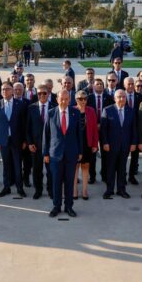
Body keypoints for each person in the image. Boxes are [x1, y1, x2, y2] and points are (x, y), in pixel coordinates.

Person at [43, 89, 84, 218]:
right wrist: (45, 153)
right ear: (57, 99)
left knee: (69, 181)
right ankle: (56, 206)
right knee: (56, 182)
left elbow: (80, 134)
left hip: (71, 154)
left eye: (67, 99)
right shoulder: (50, 113)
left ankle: (69, 206)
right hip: (55, 154)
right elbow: (46, 135)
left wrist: (80, 151)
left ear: (70, 100)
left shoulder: (75, 113)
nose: (64, 101)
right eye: (62, 99)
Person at [100, 90, 136, 199]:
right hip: (111, 146)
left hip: (125, 145)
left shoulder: (131, 111)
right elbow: (103, 130)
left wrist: (133, 143)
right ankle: (109, 190)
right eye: (119, 97)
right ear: (115, 98)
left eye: (124, 97)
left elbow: (134, 129)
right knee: (110, 169)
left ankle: (121, 190)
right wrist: (105, 143)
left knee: (122, 169)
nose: (122, 99)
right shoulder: (107, 110)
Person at [0, 83, 27, 197]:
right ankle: (6, 187)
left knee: (17, 165)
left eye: (7, 89)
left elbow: (24, 125)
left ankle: (19, 188)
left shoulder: (20, 104)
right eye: (2, 89)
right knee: (6, 165)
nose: (4, 91)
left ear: (12, 91)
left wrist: (24, 141)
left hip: (17, 140)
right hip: (3, 141)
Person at [26, 84, 56, 199]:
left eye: (44, 93)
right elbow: (27, 128)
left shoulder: (54, 107)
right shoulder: (31, 108)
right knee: (37, 170)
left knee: (50, 171)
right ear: (36, 94)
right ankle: (38, 190)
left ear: (48, 94)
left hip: (50, 146)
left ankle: (50, 190)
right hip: (35, 146)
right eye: (39, 93)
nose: (42, 95)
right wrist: (29, 143)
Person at [73, 90, 99, 200]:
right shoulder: (72, 110)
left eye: (85, 98)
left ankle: (84, 190)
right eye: (80, 98)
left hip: (87, 143)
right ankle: (74, 190)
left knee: (85, 166)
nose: (83, 101)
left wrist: (95, 144)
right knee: (75, 167)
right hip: (75, 144)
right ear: (76, 99)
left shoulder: (91, 111)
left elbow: (94, 130)